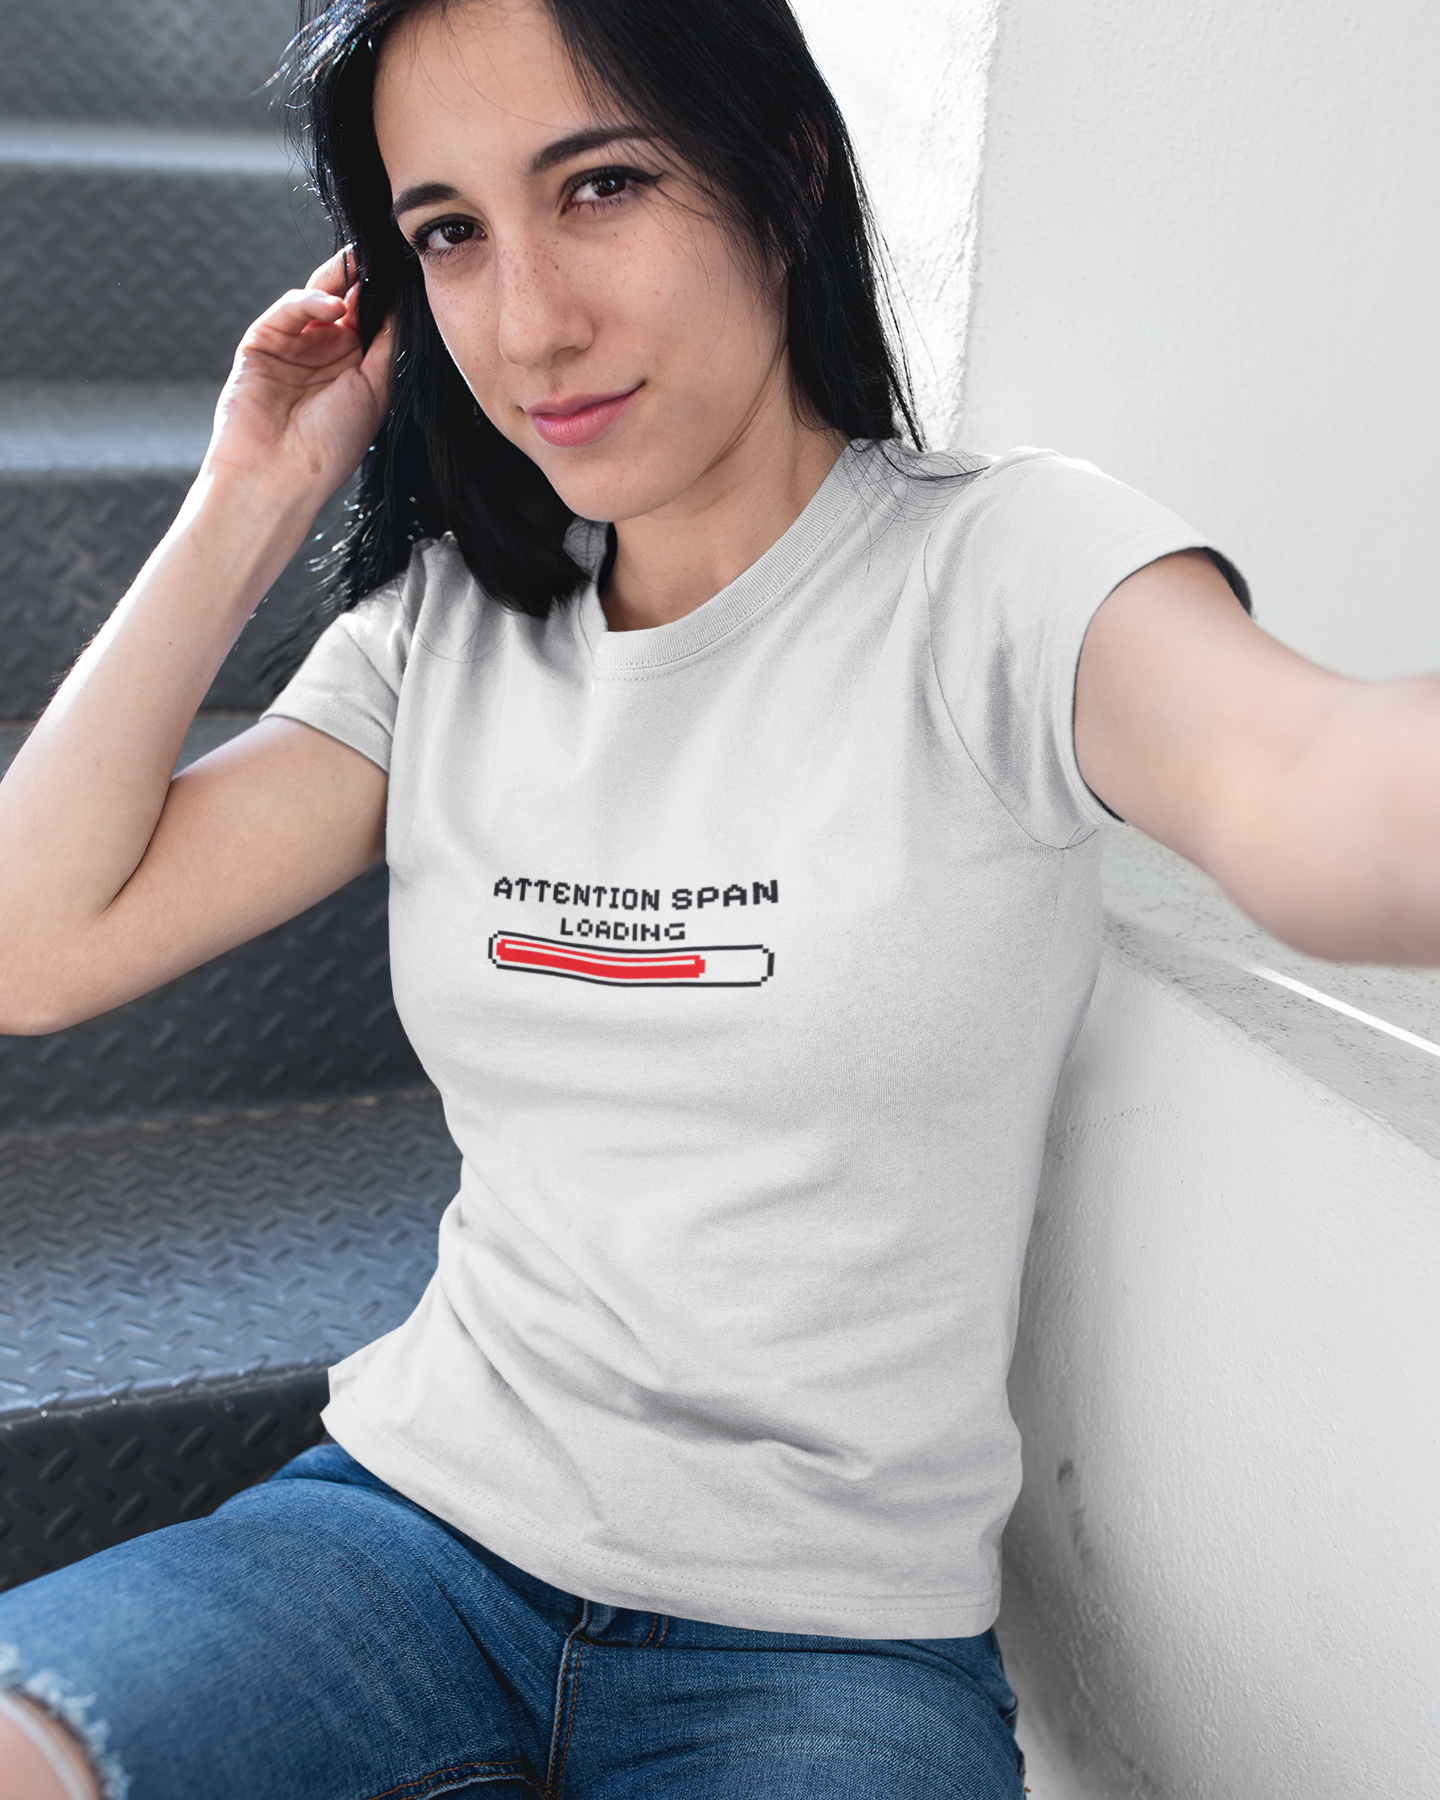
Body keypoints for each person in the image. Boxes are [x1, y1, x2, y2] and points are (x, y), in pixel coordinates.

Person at [1, 0, 1437, 1794]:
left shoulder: (1000, 567)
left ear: (783, 171)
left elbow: (1313, 786)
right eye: (449, 232)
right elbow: (33, 947)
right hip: (404, 1537)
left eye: (600, 185)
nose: (531, 322)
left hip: (821, 1645)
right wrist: (255, 484)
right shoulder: (440, 640)